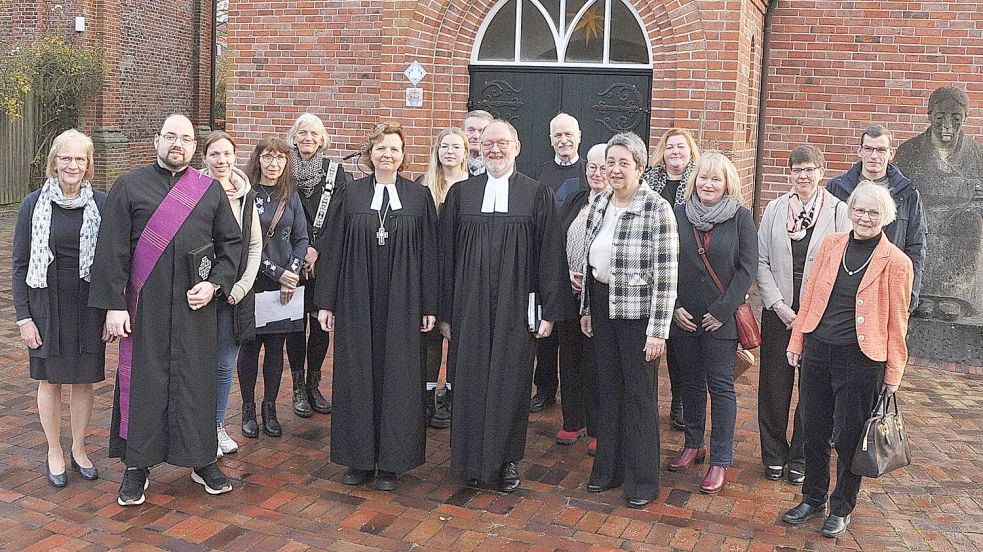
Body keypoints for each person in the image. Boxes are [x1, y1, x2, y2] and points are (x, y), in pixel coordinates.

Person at [90, 114, 242, 505]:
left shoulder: (209, 191)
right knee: (144, 384)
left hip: (196, 309)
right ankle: (136, 467)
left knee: (196, 384)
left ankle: (202, 460)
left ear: (195, 148)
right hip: (145, 309)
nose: (177, 144)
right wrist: (113, 307)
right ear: (156, 140)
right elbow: (110, 251)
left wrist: (215, 285)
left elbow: (231, 246)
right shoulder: (128, 186)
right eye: (170, 136)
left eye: (186, 139)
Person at [439, 119, 566, 492]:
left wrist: (550, 310)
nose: (494, 150)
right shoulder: (461, 194)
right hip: (468, 305)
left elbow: (550, 254)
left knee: (511, 381)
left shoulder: (537, 194)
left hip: (518, 305)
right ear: (478, 147)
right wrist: (445, 311)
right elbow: (444, 256)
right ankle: (466, 459)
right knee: (469, 378)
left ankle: (505, 459)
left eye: (502, 143)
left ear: (517, 147)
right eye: (488, 143)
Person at [782, 181, 913, 538]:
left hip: (862, 360)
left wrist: (893, 372)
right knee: (813, 430)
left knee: (850, 438)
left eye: (873, 212)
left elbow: (897, 321)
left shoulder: (896, 262)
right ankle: (813, 497)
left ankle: (842, 507)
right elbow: (808, 296)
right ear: (850, 210)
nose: (866, 217)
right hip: (818, 350)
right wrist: (797, 341)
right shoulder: (831, 244)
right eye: (860, 210)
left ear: (885, 216)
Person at [316, 122, 438, 491]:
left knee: (399, 376)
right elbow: (332, 248)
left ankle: (391, 463)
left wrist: (429, 303)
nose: (388, 155)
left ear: (403, 156)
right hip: (356, 297)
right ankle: (358, 460)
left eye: (395, 149)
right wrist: (326, 302)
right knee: (357, 374)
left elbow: (432, 254)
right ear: (370, 155)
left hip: (404, 299)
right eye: (381, 148)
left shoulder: (418, 197)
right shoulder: (350, 194)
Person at [579, 133, 678, 509]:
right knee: (608, 390)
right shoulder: (601, 202)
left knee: (638, 395)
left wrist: (658, 331)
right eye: (611, 162)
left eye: (624, 163)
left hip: (637, 314)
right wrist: (587, 309)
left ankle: (642, 479)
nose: (615, 170)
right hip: (603, 307)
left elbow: (667, 276)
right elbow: (590, 263)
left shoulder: (657, 209)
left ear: (640, 167)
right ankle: (609, 468)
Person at [13, 129, 107, 488]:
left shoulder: (102, 204)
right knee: (51, 382)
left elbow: (114, 262)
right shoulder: (33, 204)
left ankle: (79, 449)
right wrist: (24, 317)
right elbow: (20, 264)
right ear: (54, 161)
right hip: (45, 307)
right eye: (65, 158)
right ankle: (54, 450)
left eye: (79, 158)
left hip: (87, 307)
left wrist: (111, 309)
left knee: (83, 381)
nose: (72, 165)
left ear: (88, 165)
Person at [756, 146, 849, 485]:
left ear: (821, 172)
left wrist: (812, 313)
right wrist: (778, 305)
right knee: (773, 388)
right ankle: (774, 454)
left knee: (813, 391)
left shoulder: (838, 212)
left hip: (819, 318)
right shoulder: (775, 209)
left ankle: (801, 457)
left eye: (810, 169)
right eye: (797, 170)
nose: (803, 176)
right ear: (789, 174)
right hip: (779, 312)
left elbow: (842, 267)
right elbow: (761, 261)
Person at [667, 151, 757, 495]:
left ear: (726, 183)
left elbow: (747, 269)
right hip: (685, 318)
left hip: (721, 320)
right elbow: (666, 262)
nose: (708, 184)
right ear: (694, 181)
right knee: (689, 382)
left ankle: (720, 459)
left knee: (720, 387)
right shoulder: (678, 215)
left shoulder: (741, 218)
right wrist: (674, 306)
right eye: (703, 177)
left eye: (715, 179)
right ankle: (693, 444)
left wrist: (722, 310)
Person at [237, 138, 308, 439]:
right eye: (268, 157)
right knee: (250, 348)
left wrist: (291, 273)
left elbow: (302, 238)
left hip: (284, 289)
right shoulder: (246, 194)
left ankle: (270, 408)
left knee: (277, 350)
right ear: (258, 160)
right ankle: (248, 408)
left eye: (280, 158)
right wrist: (277, 272)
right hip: (254, 283)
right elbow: (245, 241)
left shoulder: (290, 196)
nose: (274, 163)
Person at [200, 131, 262, 458]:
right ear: (205, 158)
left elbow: (254, 247)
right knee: (196, 364)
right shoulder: (191, 190)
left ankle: (217, 426)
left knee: (225, 364)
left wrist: (241, 286)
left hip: (234, 295)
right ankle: (194, 428)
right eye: (215, 154)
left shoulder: (246, 195)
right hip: (198, 293)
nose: (221, 161)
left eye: (227, 154)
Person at [285, 113, 348, 418]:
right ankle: (298, 388)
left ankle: (313, 385)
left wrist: (317, 248)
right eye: (302, 133)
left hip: (324, 261)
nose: (308, 138)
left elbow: (341, 218)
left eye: (314, 133)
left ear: (323, 139)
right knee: (294, 324)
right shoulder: (283, 169)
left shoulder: (336, 173)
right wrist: (300, 251)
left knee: (320, 323)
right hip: (290, 259)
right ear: (294, 137)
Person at [826, 125, 926, 311]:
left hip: (886, 288)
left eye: (881, 150)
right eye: (869, 148)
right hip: (841, 288)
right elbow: (823, 242)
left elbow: (916, 247)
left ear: (891, 153)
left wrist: (909, 298)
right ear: (859, 151)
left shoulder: (908, 193)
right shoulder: (836, 189)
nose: (874, 155)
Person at [642, 128, 701, 431]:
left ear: (691, 151)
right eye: (670, 147)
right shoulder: (649, 183)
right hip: (652, 265)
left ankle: (679, 401)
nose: (675, 152)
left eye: (681, 147)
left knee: (680, 345)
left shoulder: (698, 183)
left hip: (687, 266)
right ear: (662, 153)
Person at [529, 113, 589, 413]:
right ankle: (545, 388)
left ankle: (574, 393)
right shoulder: (538, 174)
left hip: (579, 270)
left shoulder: (589, 171)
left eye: (568, 134)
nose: (563, 140)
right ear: (550, 139)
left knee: (574, 337)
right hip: (548, 266)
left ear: (579, 135)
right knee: (545, 334)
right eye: (557, 136)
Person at [554, 142, 608, 452]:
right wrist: (566, 275)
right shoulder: (575, 199)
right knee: (569, 356)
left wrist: (587, 277)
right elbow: (556, 239)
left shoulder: (617, 205)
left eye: (604, 167)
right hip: (569, 293)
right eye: (592, 167)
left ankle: (600, 425)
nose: (598, 173)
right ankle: (572, 420)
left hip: (599, 296)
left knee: (598, 361)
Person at [418, 127, 470, 428]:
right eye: (444, 146)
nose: (449, 151)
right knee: (431, 333)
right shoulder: (423, 186)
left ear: (466, 152)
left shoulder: (474, 188)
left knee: (458, 334)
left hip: (462, 271)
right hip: (431, 268)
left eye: (456, 146)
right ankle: (426, 394)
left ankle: (452, 395)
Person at [463, 110, 494, 176]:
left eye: (481, 131)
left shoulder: (500, 164)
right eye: (471, 130)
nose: (476, 136)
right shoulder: (453, 162)